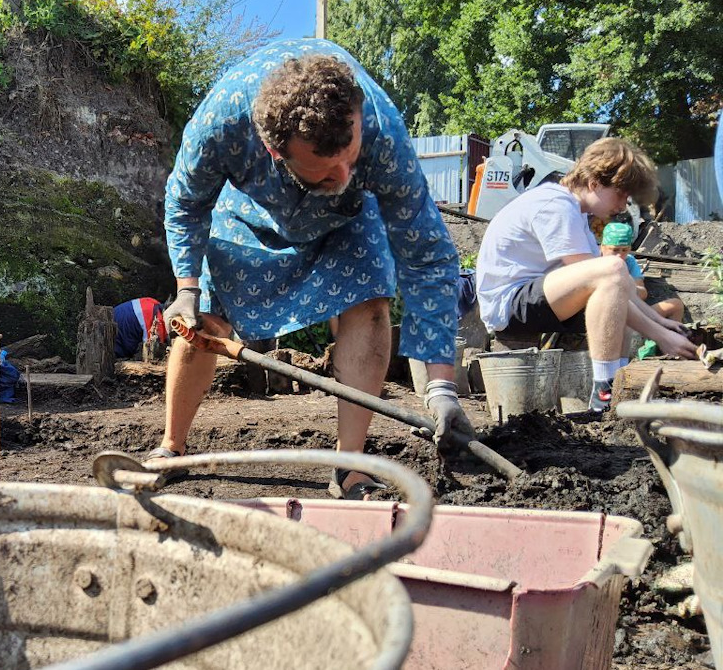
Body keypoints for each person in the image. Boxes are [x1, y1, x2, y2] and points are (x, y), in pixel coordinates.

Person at [155, 39, 470, 500]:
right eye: (325, 170)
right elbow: (185, 202)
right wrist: (186, 286)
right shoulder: (222, 121)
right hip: (247, 210)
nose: (343, 175)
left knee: (371, 303)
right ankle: (172, 447)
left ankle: (349, 468)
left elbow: (427, 254)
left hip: (345, 220)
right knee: (204, 319)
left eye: (351, 158)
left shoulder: (383, 133)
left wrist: (442, 385)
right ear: (273, 149)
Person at [476, 138, 697, 413]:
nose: (622, 205)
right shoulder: (555, 205)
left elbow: (616, 288)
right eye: (620, 195)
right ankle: (604, 390)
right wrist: (660, 336)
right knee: (613, 268)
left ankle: (619, 387)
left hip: (534, 297)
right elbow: (604, 276)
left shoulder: (576, 212)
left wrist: (661, 324)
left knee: (616, 291)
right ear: (594, 183)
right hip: (510, 304)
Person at [599, 222, 686, 322]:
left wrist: (627, 284)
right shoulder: (592, 262)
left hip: (631, 315)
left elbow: (642, 293)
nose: (620, 255)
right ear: (603, 247)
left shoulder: (629, 261)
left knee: (676, 305)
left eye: (624, 250)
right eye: (615, 250)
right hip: (602, 316)